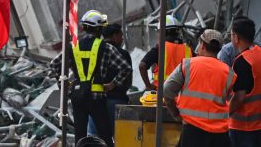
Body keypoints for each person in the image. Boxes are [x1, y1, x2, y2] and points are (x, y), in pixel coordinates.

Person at [50, 10, 130, 147]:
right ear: (99, 29)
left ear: (84, 27)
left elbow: (54, 65)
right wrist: (112, 84)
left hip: (77, 96)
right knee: (105, 135)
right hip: (96, 97)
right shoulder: (105, 47)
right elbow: (125, 67)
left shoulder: (73, 46)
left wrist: (64, 87)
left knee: (80, 136)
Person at [163, 29, 235, 147]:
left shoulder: (187, 65)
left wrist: (175, 114)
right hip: (220, 135)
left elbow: (166, 91)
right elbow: (233, 98)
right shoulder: (229, 72)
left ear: (202, 45)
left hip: (192, 132)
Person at [228, 17, 261, 147]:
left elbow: (239, 97)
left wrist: (225, 112)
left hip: (243, 127)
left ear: (236, 37)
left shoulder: (242, 61)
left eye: (231, 35)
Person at [88, 23, 130, 137]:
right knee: (120, 137)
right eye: (121, 35)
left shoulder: (93, 51)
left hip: (95, 100)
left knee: (94, 136)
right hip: (116, 100)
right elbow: (127, 77)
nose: (122, 39)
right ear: (114, 36)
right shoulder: (122, 53)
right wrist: (113, 84)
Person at [139, 15, 192, 91]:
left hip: (162, 94)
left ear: (163, 32)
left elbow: (142, 66)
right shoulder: (188, 50)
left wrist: (148, 86)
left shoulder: (159, 49)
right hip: (182, 94)